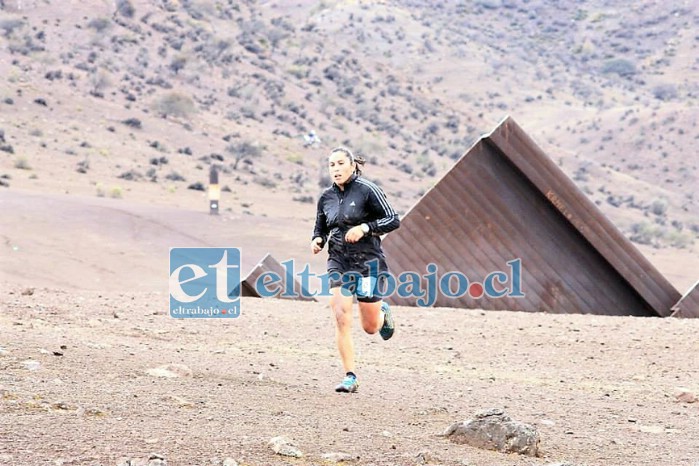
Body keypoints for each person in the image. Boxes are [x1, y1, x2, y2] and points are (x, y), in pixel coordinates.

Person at [311, 146, 400, 393]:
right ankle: (350, 376)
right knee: (340, 315)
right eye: (332, 165)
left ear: (352, 165)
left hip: (368, 263)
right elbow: (320, 227)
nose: (336, 169)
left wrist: (365, 228)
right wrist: (317, 240)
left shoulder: (367, 190)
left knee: (370, 327)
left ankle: (382, 313)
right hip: (339, 261)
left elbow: (393, 219)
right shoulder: (326, 197)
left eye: (340, 164)